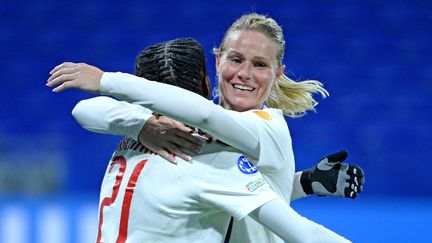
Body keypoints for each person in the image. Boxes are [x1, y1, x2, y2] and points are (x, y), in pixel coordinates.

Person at [47, 13, 364, 242]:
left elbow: (207, 123)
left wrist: (107, 82)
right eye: (236, 59)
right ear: (215, 64)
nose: (244, 74)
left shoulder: (263, 129)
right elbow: (231, 190)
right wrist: (143, 124)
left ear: (278, 72)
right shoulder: (201, 152)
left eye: (259, 64)